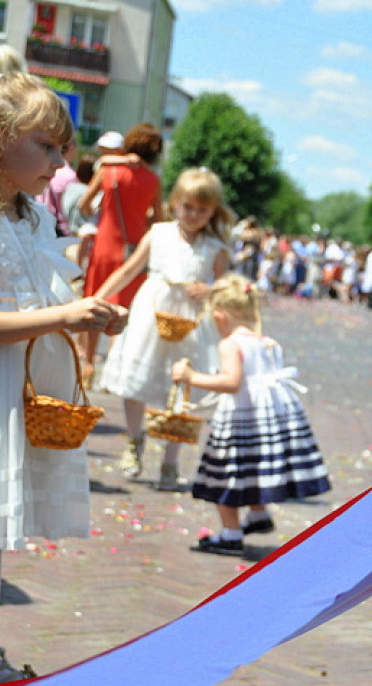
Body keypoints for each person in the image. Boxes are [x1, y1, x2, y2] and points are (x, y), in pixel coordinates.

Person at [0, 73, 127, 686]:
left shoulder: (27, 216)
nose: (60, 160)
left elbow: (41, 289)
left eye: (62, 148)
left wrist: (93, 308)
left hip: (8, 385)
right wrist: (64, 315)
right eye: (46, 146)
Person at [172, 274, 331, 556]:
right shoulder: (268, 342)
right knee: (255, 467)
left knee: (228, 474)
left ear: (220, 317)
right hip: (267, 422)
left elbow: (232, 382)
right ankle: (258, 515)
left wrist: (191, 377)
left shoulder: (230, 344)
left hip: (241, 419)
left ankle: (231, 534)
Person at [93, 167, 232, 489]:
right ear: (176, 203)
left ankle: (170, 460)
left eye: (202, 209)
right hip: (150, 314)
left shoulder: (215, 248)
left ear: (212, 211)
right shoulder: (159, 234)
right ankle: (134, 439)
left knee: (181, 390)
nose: (194, 214)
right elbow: (129, 269)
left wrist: (211, 291)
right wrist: (97, 298)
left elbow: (228, 289)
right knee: (135, 382)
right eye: (188, 206)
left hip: (190, 322)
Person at [79, 122, 163, 369]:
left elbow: (84, 205)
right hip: (134, 249)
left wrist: (103, 213)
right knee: (123, 306)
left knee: (96, 299)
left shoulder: (109, 171)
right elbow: (158, 218)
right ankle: (115, 365)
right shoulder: (153, 181)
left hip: (105, 243)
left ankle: (89, 363)